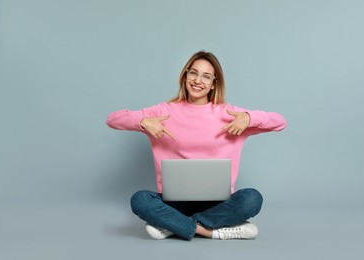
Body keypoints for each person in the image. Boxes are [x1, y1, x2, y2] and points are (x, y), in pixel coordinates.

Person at [106, 50, 287, 240]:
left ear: (213, 83)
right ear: (185, 76)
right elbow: (113, 119)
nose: (198, 80)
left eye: (206, 76)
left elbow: (280, 122)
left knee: (252, 199)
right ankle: (210, 230)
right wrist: (143, 121)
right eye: (193, 73)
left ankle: (173, 225)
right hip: (173, 203)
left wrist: (250, 118)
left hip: (218, 204)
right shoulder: (164, 112)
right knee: (139, 200)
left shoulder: (231, 114)